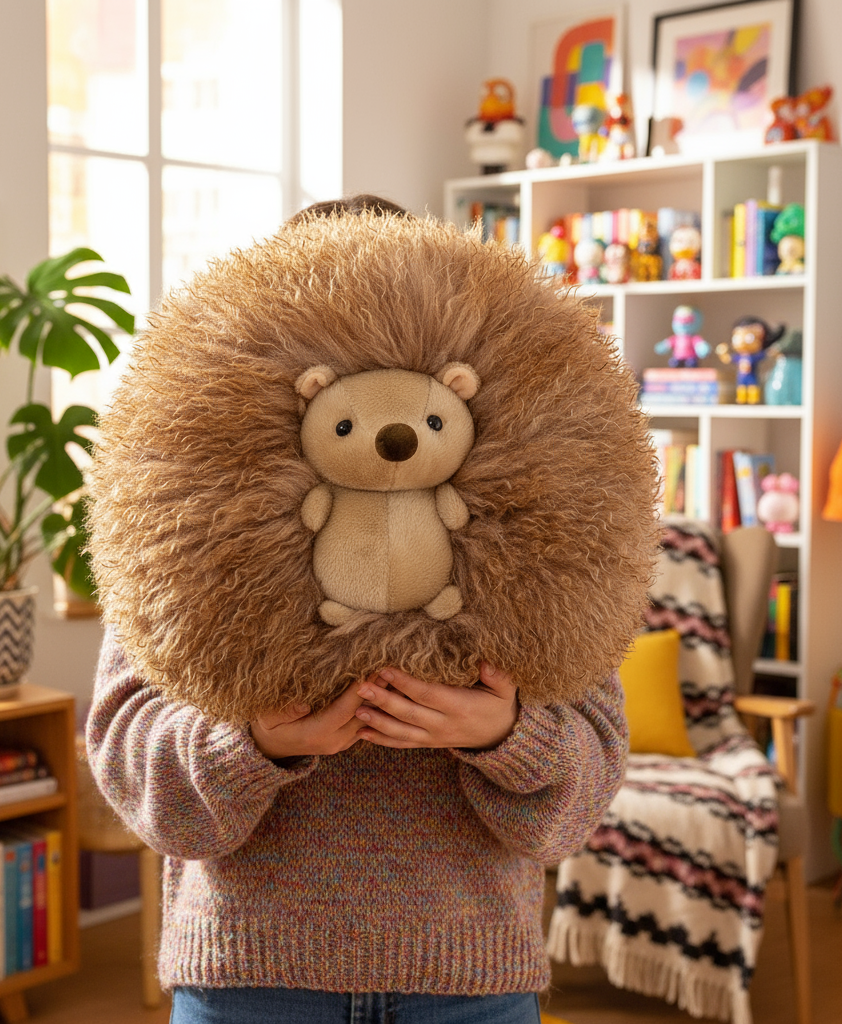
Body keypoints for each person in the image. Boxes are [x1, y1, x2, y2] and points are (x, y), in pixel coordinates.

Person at [86, 196, 630, 1024]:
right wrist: (253, 745)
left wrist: (505, 735)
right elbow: (133, 768)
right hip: (250, 976)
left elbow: (581, 798)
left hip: (472, 982)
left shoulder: (542, 546)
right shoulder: (184, 531)